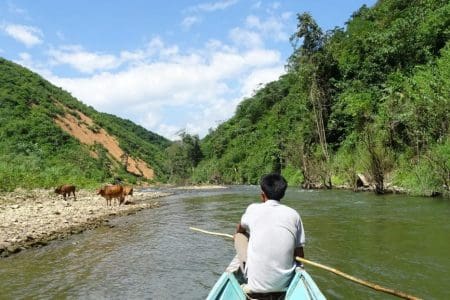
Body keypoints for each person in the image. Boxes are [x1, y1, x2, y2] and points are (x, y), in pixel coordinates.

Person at [234, 173, 305, 295]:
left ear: (262, 195)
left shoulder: (252, 209)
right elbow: (300, 255)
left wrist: (241, 234)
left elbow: (239, 229)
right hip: (285, 286)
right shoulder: (294, 214)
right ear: (282, 194)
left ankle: (247, 279)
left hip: (254, 287)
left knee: (239, 236)